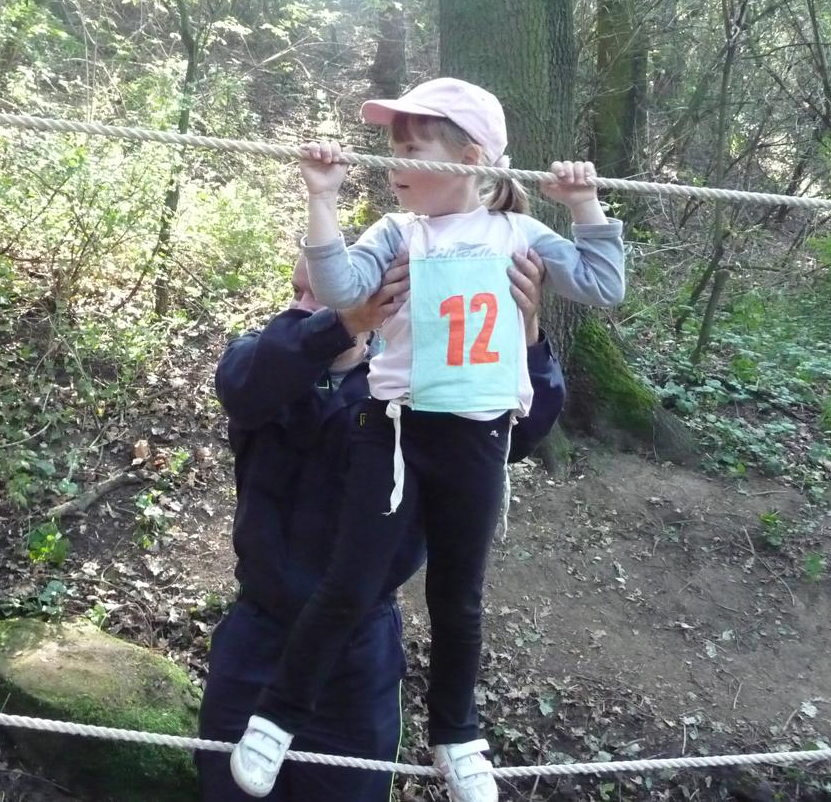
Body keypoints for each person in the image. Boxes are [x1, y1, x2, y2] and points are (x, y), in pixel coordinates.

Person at [230, 78, 625, 801]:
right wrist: (322, 199)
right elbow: (341, 288)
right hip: (394, 433)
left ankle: (458, 738)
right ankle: (276, 718)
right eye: (392, 148)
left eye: (411, 149)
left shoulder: (518, 235)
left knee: (458, 597)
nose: (394, 164)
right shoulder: (397, 231)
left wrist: (583, 204)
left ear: (469, 158)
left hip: (478, 438)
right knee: (349, 584)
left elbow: (603, 285)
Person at [198, 245, 565, 802]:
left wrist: (528, 330)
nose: (301, 308)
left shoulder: (413, 396)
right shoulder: (260, 361)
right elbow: (246, 387)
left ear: (376, 301)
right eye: (297, 293)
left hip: (356, 656)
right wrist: (336, 326)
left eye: (320, 295)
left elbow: (517, 430)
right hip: (257, 637)